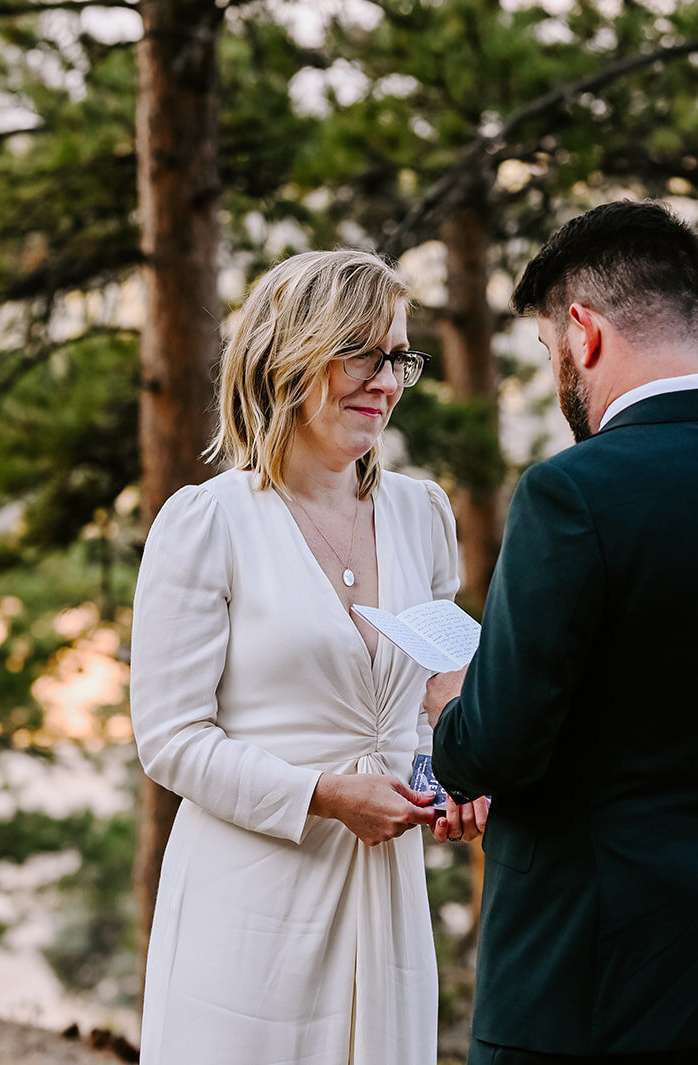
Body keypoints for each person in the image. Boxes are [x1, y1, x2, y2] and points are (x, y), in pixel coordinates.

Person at [424, 201, 698, 1065]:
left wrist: (454, 701)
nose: (560, 380)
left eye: (552, 353)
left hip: (579, 970)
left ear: (583, 332)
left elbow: (493, 750)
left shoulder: (571, 494)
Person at [129, 248, 486, 1065]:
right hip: (252, 904)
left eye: (399, 357)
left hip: (385, 899)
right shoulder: (207, 523)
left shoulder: (422, 512)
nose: (387, 381)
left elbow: (442, 681)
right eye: (361, 353)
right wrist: (323, 795)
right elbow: (171, 738)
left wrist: (466, 767)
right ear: (288, 355)